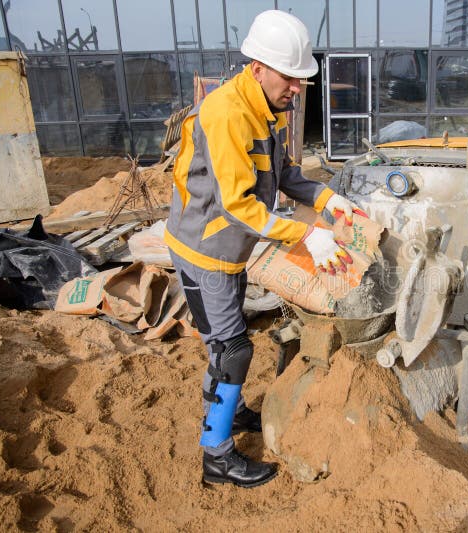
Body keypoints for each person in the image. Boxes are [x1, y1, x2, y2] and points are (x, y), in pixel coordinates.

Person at [164, 10, 361, 488]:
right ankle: (216, 455)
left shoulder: (265, 110)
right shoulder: (227, 113)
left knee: (226, 347)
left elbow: (287, 177)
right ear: (257, 67)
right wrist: (305, 235)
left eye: (300, 78)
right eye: (290, 77)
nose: (297, 87)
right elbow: (236, 206)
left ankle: (228, 417)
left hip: (229, 252)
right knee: (231, 350)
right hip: (204, 251)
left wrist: (328, 198)